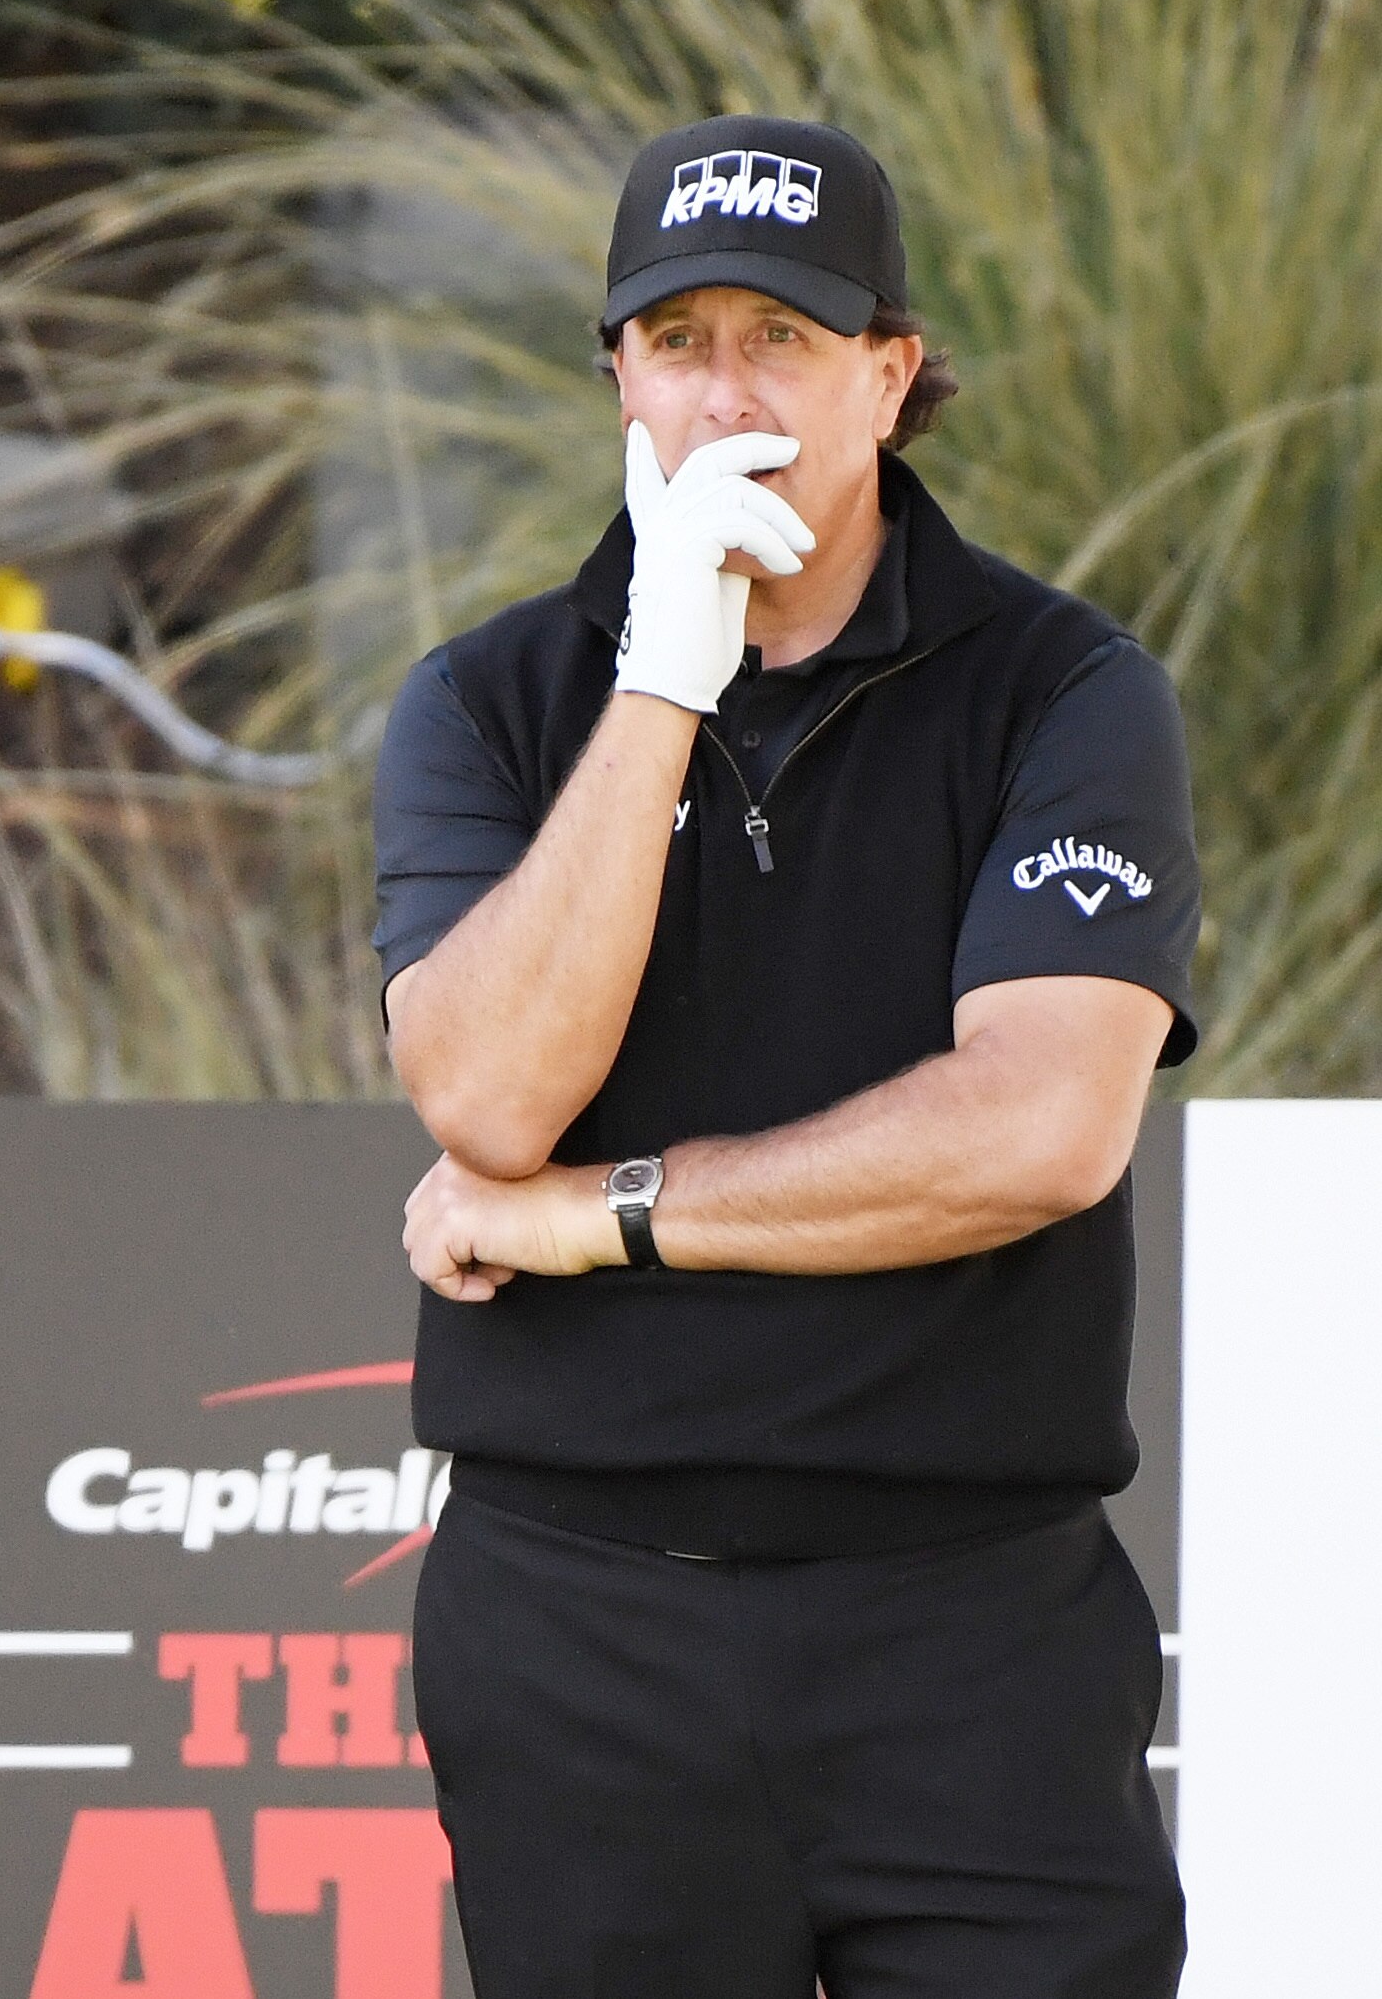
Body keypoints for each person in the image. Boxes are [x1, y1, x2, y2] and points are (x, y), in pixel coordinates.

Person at [375, 116, 1198, 1997]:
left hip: (975, 1635)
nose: (722, 392)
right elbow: (485, 1094)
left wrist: (603, 1216)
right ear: (616, 375)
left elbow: (1043, 1128)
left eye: (783, 338)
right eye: (677, 341)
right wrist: (666, 673)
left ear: (890, 376)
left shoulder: (1064, 692)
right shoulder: (490, 701)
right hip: (581, 1636)